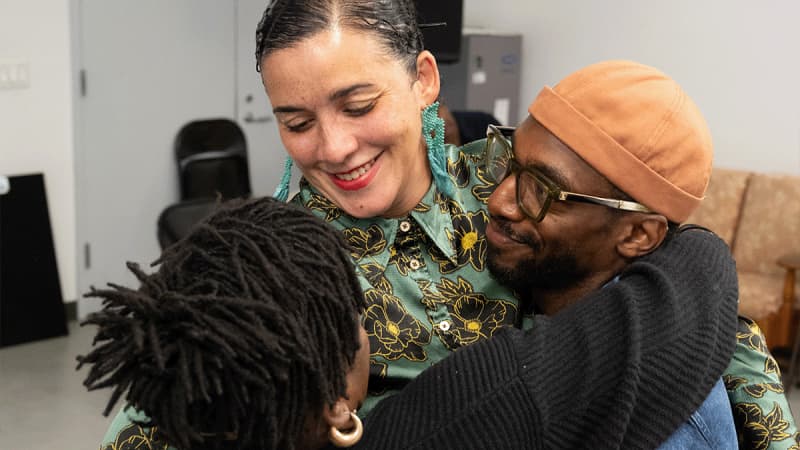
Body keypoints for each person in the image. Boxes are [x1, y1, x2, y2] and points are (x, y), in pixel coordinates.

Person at [252, 0, 796, 446]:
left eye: (359, 106)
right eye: (297, 123)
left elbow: (710, 327)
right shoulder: (276, 263)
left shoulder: (507, 176)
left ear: (423, 80)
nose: (335, 147)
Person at [80, 196, 738, 449]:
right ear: (340, 407)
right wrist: (686, 236)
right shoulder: (452, 420)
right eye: (357, 313)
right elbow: (685, 301)